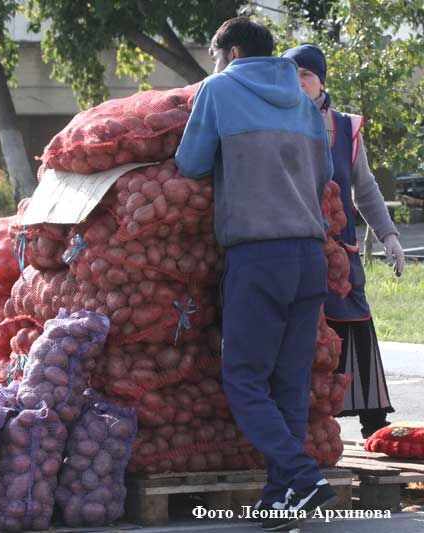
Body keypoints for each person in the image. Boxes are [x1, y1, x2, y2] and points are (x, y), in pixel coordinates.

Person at [175, 18, 335, 530]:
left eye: (216, 56)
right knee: (288, 384)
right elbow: (326, 174)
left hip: (257, 255)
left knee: (243, 378)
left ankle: (302, 477)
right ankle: (279, 497)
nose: (213, 67)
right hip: (310, 255)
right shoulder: (303, 101)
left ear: (234, 51)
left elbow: (192, 163)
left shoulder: (220, 89)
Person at [282, 44, 405, 439]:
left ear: (321, 81)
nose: (298, 82)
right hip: (291, 247)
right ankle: (308, 424)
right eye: (292, 74)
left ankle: (374, 426)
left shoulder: (346, 128)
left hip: (342, 252)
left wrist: (389, 236)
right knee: (301, 334)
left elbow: (365, 190)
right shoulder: (273, 121)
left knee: (352, 324)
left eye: (306, 75)